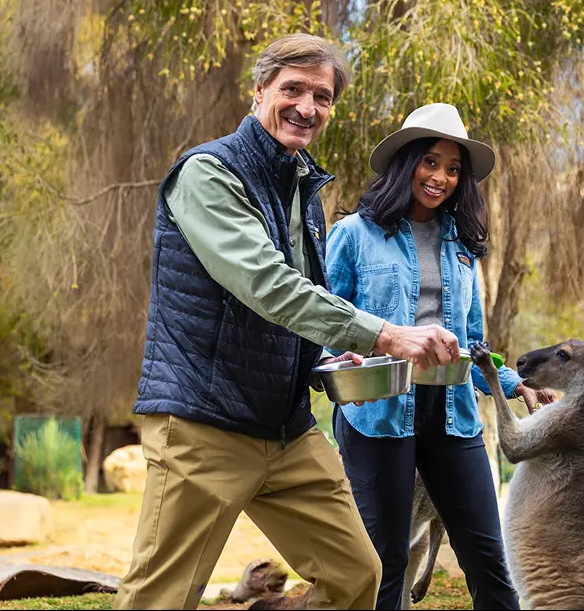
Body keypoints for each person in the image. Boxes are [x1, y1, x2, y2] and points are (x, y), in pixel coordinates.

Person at [114, 35, 462, 611]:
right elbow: (267, 287)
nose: (307, 106)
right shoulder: (207, 173)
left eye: (321, 96)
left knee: (356, 577)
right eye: (292, 89)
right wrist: (386, 334)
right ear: (259, 91)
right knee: (161, 597)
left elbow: (299, 306)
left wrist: (325, 360)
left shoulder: (302, 187)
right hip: (205, 424)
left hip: (285, 429)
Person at [325, 103, 558, 610]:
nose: (442, 178)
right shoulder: (353, 236)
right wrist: (346, 359)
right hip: (376, 412)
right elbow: (324, 326)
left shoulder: (461, 248)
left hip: (453, 415)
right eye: (431, 162)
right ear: (407, 162)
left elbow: (473, 347)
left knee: (489, 557)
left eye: (453, 169)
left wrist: (516, 384)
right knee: (383, 563)